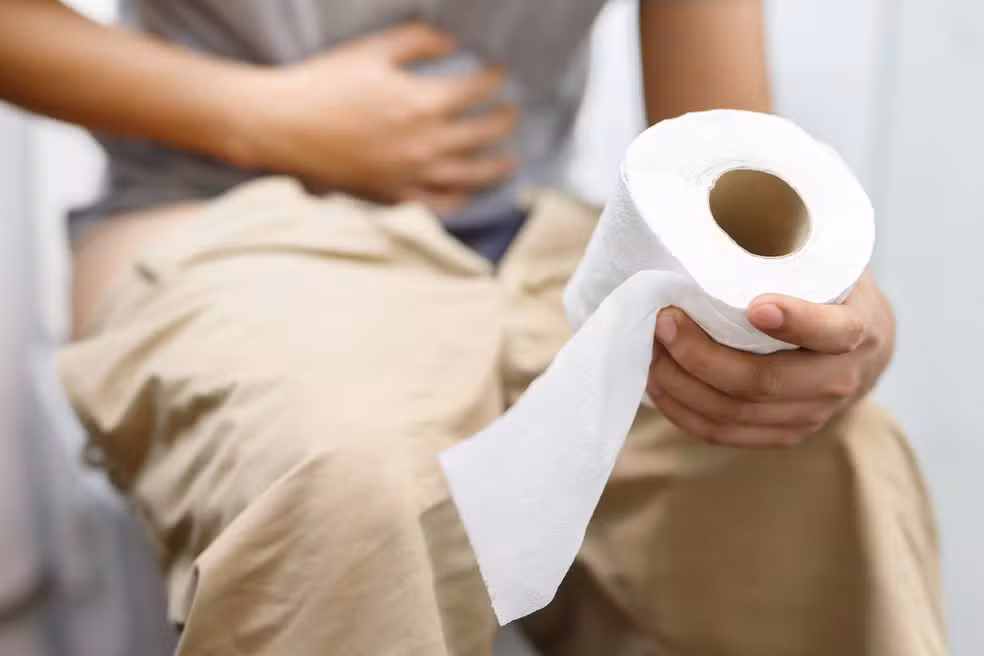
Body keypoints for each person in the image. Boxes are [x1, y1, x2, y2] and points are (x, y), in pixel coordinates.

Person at [0, 1, 946, 654]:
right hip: (213, 201)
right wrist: (270, 114)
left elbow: (727, 150)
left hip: (532, 229)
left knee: (833, 463)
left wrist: (830, 320)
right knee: (352, 490)